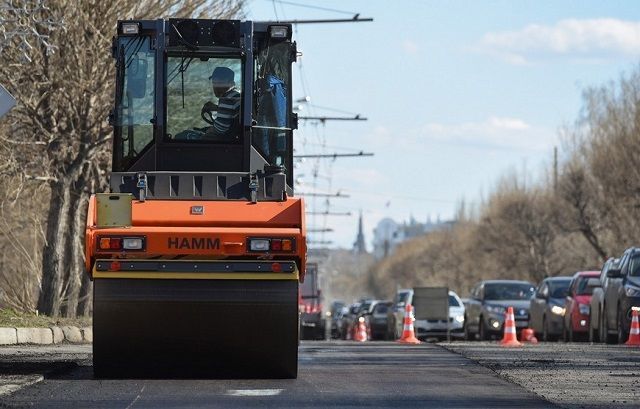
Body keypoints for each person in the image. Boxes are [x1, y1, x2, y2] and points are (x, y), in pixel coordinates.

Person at [202, 66, 241, 140]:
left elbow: (221, 128)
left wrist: (209, 130)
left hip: (224, 140)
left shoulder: (226, 98)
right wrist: (217, 108)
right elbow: (230, 111)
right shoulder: (235, 95)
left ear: (231, 83)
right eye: (214, 83)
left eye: (220, 83)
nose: (216, 87)